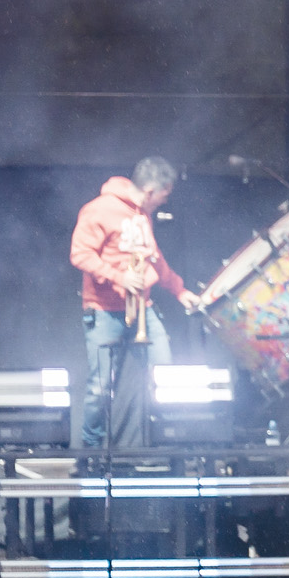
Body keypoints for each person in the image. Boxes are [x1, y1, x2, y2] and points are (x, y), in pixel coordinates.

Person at [69, 158, 195, 449]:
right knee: (101, 387)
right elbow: (80, 254)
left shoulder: (142, 215)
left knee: (164, 373)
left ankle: (167, 446)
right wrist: (119, 277)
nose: (165, 201)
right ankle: (90, 454)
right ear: (150, 191)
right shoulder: (99, 209)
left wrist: (179, 290)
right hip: (104, 311)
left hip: (142, 309)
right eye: (164, 194)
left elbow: (154, 259)